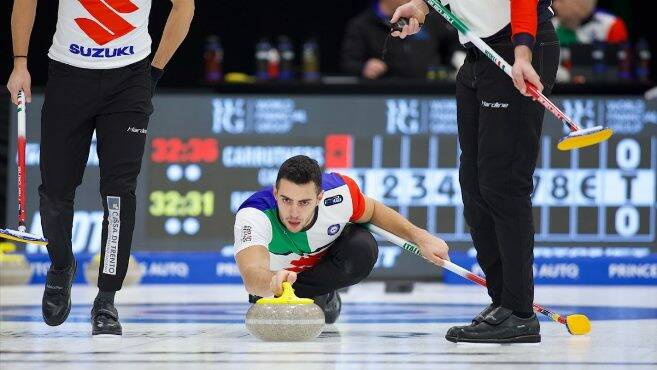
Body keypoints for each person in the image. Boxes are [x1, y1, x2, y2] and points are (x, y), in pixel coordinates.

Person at [6, 0, 194, 336]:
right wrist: (20, 63)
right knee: (55, 192)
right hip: (68, 76)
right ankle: (61, 264)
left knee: (119, 196)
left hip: (129, 79)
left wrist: (154, 72)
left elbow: (184, 7)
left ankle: (106, 298)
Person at [391, 0, 559, 343]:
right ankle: (503, 304)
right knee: (474, 184)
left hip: (518, 49)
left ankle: (520, 312)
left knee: (503, 183)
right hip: (477, 52)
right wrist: (421, 7)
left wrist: (523, 55)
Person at [233, 155, 450, 323]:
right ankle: (301, 297)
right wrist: (272, 283)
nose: (294, 212)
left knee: (362, 247)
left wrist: (420, 236)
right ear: (275, 192)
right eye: (286, 199)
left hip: (321, 269)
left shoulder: (340, 194)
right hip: (277, 283)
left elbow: (373, 211)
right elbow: (252, 276)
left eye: (304, 202)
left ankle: (323, 294)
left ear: (320, 197)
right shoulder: (254, 215)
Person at [341, 0, 462, 80]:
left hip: (428, 92)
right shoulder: (362, 25)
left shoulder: (429, 19)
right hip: (384, 95)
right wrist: (364, 67)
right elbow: (349, 63)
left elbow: (453, 47)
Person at [552, 0, 628, 46]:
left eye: (561, 1)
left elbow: (620, 68)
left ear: (579, 4)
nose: (555, 5)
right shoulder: (548, 26)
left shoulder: (611, 25)